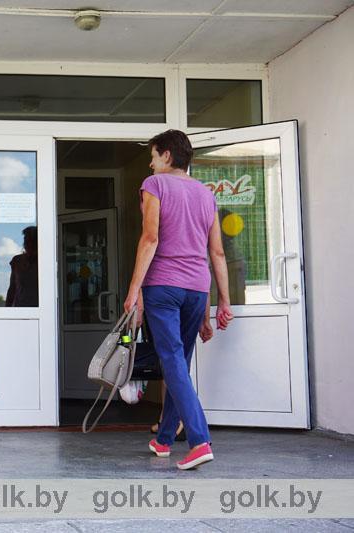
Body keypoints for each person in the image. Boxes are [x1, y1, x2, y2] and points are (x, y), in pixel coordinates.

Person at [123, 129, 234, 470]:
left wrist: (134, 290)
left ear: (167, 156)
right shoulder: (206, 194)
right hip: (197, 289)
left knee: (171, 360)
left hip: (163, 287)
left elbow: (150, 238)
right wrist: (222, 302)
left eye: (153, 156)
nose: (151, 164)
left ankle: (200, 439)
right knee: (178, 363)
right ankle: (164, 439)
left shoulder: (154, 185)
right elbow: (216, 252)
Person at [5, 226, 38, 307]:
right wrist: (7, 309)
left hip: (40, 309)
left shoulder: (44, 262)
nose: (26, 243)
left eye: (30, 240)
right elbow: (12, 287)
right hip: (20, 308)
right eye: (25, 240)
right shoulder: (17, 261)